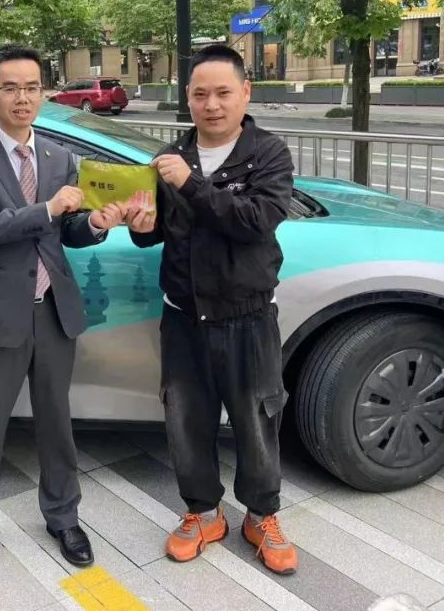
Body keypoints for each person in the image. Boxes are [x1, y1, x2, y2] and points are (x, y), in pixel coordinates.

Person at [0, 43, 125, 574]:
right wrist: (48, 207)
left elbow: (65, 231)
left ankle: (64, 516)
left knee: (56, 422)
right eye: (10, 88)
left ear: (43, 92)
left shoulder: (58, 157)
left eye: (31, 87)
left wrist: (94, 224)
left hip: (52, 312)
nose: (22, 98)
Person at [124, 43, 298, 575]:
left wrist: (192, 184)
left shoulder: (268, 154)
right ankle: (202, 513)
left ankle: (262, 516)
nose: (212, 104)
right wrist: (139, 225)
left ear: (246, 92)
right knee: (186, 419)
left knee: (257, 419)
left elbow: (255, 221)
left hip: (248, 316)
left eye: (223, 92)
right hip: (183, 316)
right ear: (188, 97)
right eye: (200, 94)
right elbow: (156, 233)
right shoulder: (173, 156)